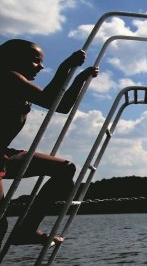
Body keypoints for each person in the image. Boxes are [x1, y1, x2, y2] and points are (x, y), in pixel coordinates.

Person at [0, 39, 98, 247]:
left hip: (4, 154)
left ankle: (26, 230)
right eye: (36, 61)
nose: (42, 66)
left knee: (64, 169)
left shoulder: (18, 82)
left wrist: (78, 79)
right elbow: (48, 99)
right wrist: (66, 66)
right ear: (15, 59)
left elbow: (60, 106)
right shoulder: (7, 77)